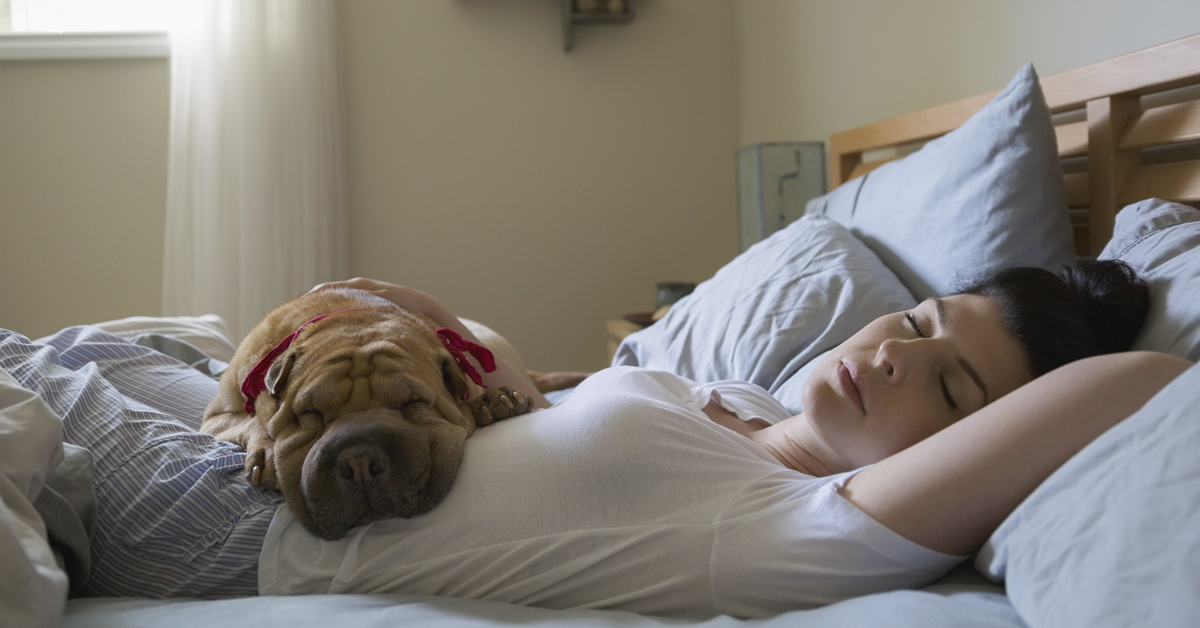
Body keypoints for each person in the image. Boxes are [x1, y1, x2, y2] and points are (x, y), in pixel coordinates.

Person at [0, 260, 1190, 617]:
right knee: (107, 345)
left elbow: (1133, 379)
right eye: (915, 320)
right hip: (258, 445)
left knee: (37, 364)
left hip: (237, 525)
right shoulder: (748, 400)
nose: (891, 353)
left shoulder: (808, 531)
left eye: (954, 384)